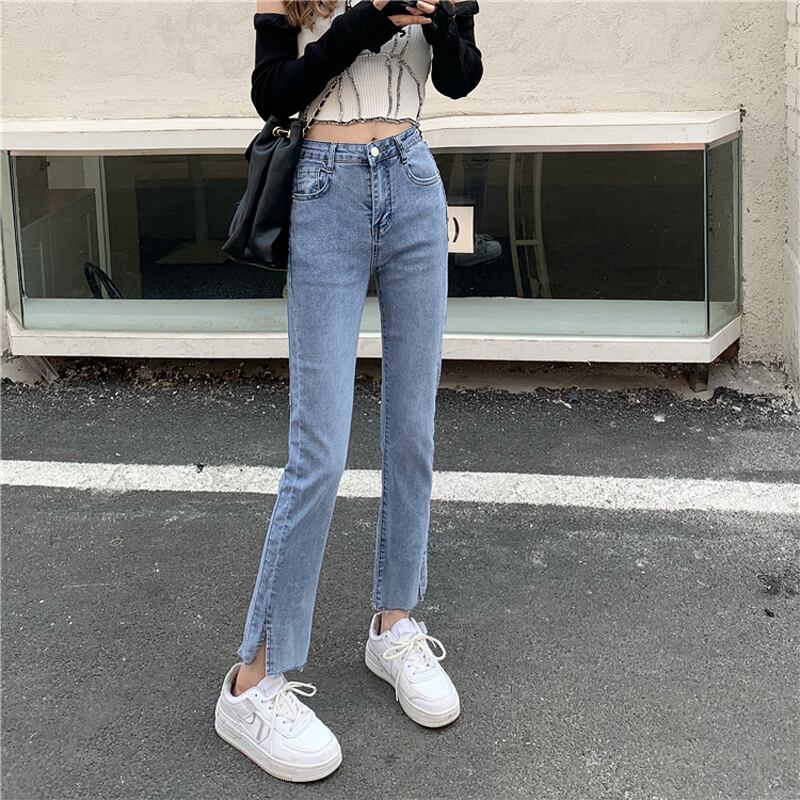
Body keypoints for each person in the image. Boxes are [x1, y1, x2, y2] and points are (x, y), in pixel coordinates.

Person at [215, 0, 483, 782]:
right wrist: (366, 22)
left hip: (413, 179)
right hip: (325, 190)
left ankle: (395, 624)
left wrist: (442, 21)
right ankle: (251, 682)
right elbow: (271, 92)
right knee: (319, 451)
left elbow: (460, 79)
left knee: (412, 429)